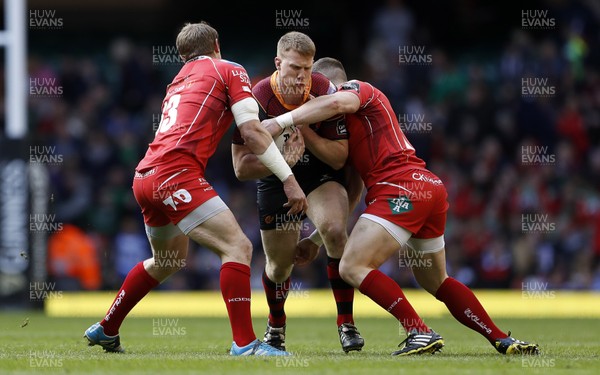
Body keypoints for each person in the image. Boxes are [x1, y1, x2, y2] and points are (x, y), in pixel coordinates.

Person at [262, 57, 540, 356]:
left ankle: (418, 331)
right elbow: (352, 193)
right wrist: (317, 239)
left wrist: (284, 119)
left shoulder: (356, 90)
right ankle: (501, 339)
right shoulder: (341, 134)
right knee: (436, 281)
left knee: (352, 266)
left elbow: (335, 103)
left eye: (313, 91)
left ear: (325, 86)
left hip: (401, 188)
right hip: (427, 188)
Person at [83, 21, 308, 357]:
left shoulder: (178, 81)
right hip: (176, 173)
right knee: (238, 247)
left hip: (145, 176)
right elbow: (251, 131)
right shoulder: (229, 69)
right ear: (216, 44)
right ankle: (245, 344)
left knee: (167, 260)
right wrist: (289, 178)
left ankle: (107, 327)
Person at [231, 32, 364, 353]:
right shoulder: (254, 99)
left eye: (306, 69)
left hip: (319, 175)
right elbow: (241, 168)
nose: (301, 77)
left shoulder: (325, 92)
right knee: (279, 266)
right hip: (276, 179)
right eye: (294, 68)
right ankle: (276, 325)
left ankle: (346, 322)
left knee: (334, 230)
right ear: (278, 64)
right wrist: (283, 163)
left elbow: (340, 157)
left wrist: (304, 128)